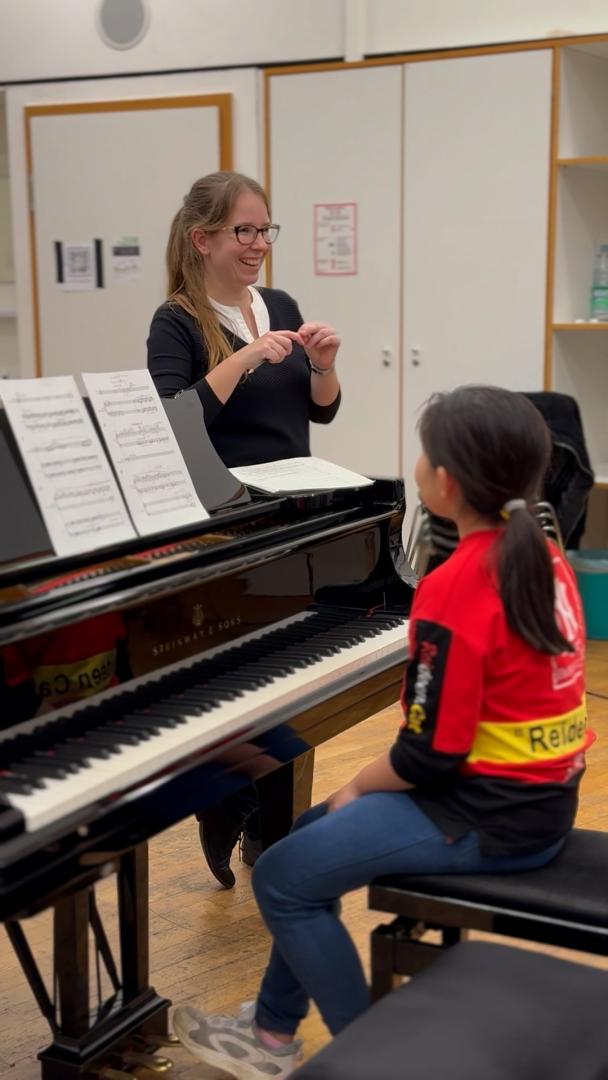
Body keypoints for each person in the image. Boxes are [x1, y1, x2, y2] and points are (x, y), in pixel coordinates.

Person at [171, 385, 592, 1080]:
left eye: (424, 455)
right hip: (535, 798)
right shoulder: (540, 556)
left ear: (445, 483)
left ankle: (379, 1058)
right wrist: (344, 802)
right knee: (306, 835)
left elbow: (430, 752)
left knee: (279, 876)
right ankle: (272, 1035)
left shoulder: (459, 583)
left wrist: (356, 787)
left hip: (487, 813)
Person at [147, 171, 341, 888]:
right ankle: (231, 803)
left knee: (292, 680)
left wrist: (322, 368)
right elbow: (175, 423)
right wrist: (245, 358)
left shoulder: (279, 304)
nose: (259, 245)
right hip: (225, 523)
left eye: (266, 231)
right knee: (237, 686)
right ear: (203, 240)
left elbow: (317, 413)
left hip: (296, 517)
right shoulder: (177, 320)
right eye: (244, 231)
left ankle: (265, 825)